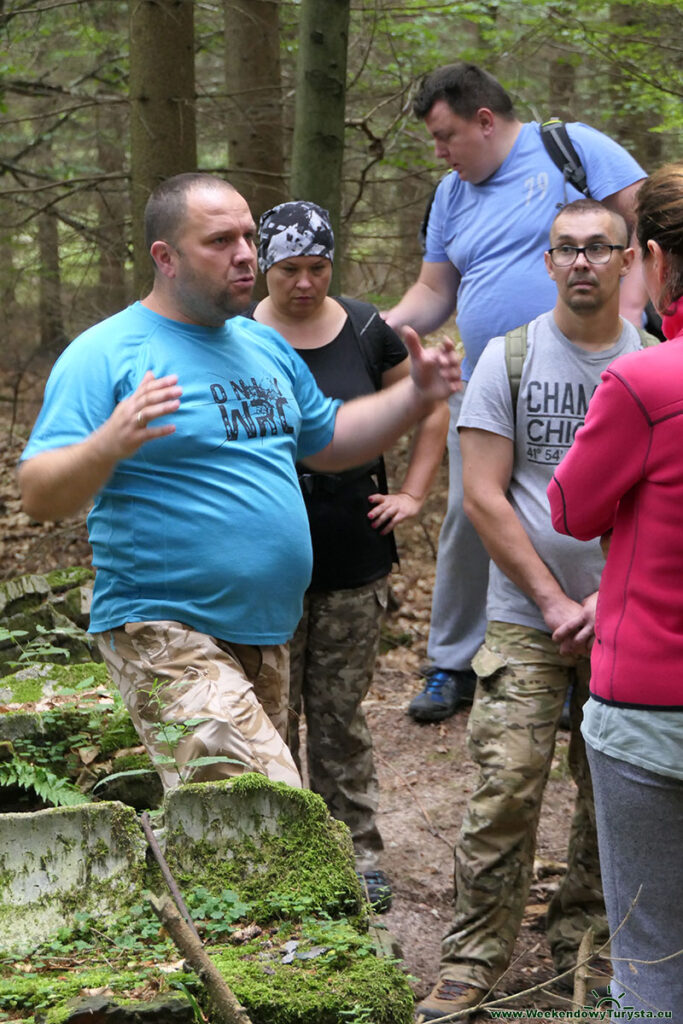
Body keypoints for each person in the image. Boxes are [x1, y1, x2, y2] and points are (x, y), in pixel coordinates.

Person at [18, 172, 460, 802]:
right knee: (268, 811)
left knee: (228, 841)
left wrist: (414, 395)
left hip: (265, 632)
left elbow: (332, 440)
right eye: (220, 240)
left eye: (249, 236)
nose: (247, 253)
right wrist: (107, 444)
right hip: (165, 630)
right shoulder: (109, 353)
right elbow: (38, 493)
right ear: (165, 258)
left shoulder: (261, 345)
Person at [415, 198, 655, 1021]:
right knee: (507, 782)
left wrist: (597, 597)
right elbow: (480, 494)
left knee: (610, 791)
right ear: (546, 264)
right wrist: (553, 598)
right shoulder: (508, 360)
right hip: (524, 614)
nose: (581, 261)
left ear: (630, 262)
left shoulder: (658, 363)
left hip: (625, 617)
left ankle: (584, 943)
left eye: (599, 248)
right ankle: (471, 956)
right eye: (566, 249)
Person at [383, 61, 647, 723]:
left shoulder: (572, 148)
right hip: (486, 380)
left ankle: (574, 655)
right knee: (471, 515)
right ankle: (452, 662)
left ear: (483, 119)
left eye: (445, 136)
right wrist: (371, 332)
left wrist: (638, 325)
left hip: (592, 373)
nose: (439, 153)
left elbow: (646, 229)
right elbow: (433, 291)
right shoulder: (451, 194)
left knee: (576, 512)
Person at [247, 200, 449, 908]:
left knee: (337, 716)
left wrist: (415, 494)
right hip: (261, 566)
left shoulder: (368, 328)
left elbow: (429, 407)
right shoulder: (236, 336)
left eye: (317, 267)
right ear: (263, 267)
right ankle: (281, 856)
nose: (304, 282)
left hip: (352, 556)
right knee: (267, 722)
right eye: (288, 269)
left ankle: (356, 852)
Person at [548, 165, 683, 1016]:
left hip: (645, 711)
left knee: (651, 958)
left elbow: (569, 506)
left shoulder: (645, 384)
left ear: (657, 262)